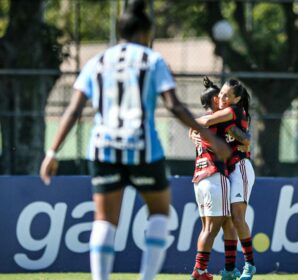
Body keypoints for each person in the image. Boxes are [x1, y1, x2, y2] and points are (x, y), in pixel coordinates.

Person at [39, 1, 231, 280]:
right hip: (143, 149)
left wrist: (52, 152)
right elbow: (175, 106)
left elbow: (74, 109)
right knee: (159, 214)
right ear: (144, 32)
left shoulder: (98, 62)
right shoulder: (152, 61)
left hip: (103, 150)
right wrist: (211, 138)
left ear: (120, 32)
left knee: (104, 220)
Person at [196, 79, 256, 280]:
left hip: (240, 167)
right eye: (220, 94)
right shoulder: (224, 116)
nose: (221, 98)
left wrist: (191, 124)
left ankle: (249, 265)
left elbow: (246, 139)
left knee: (237, 218)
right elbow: (243, 138)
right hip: (227, 170)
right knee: (230, 221)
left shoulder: (234, 110)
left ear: (236, 99)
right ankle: (230, 270)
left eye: (226, 95)